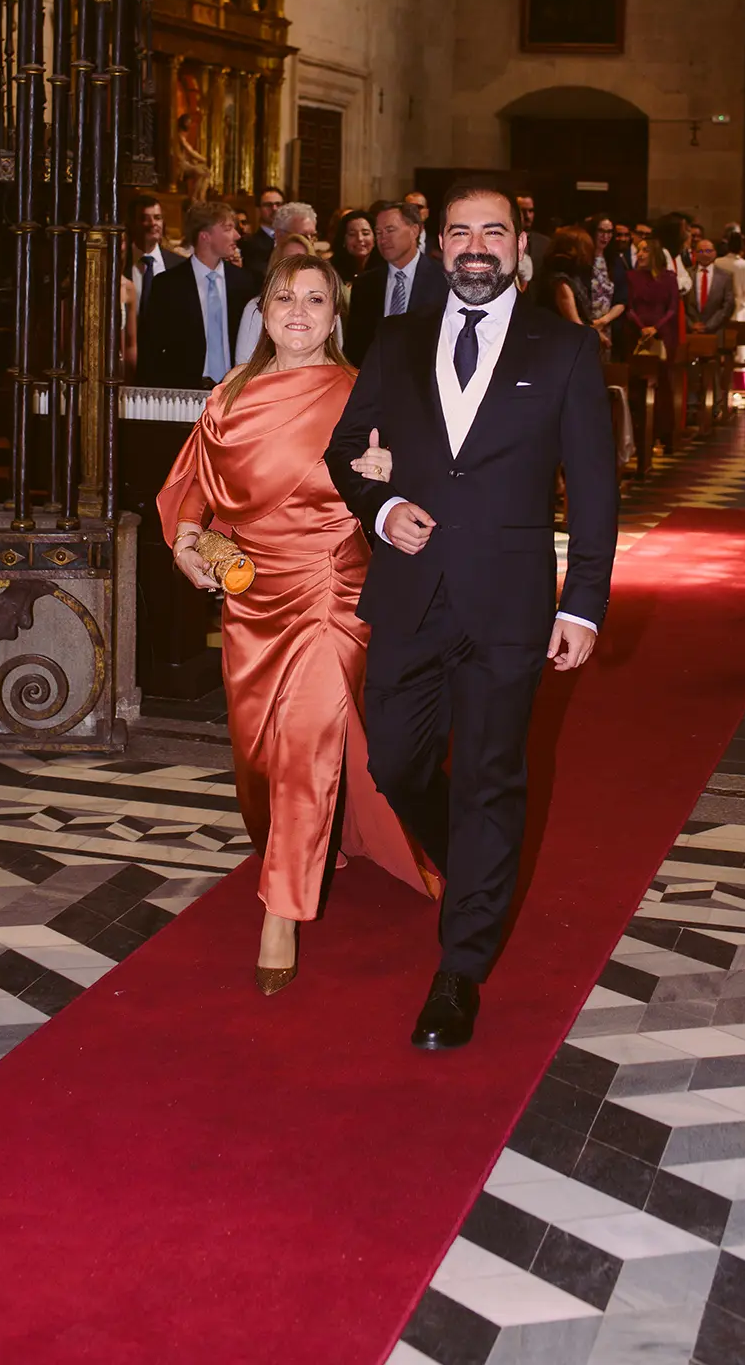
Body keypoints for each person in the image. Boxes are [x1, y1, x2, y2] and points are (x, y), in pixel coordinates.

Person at [325, 184, 618, 1051]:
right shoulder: (398, 337)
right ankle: (476, 860)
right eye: (460, 233)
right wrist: (382, 509)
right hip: (411, 593)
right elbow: (345, 449)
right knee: (394, 760)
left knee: (490, 777)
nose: (475, 246)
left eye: (493, 232)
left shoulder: (563, 347)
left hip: (507, 601)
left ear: (519, 245)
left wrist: (583, 603)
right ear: (438, 245)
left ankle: (459, 969)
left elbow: (594, 488)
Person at [159, 252, 438, 992]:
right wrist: (188, 544)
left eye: (316, 300)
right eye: (285, 298)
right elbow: (196, 486)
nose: (299, 312)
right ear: (263, 311)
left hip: (329, 589)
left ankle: (281, 912)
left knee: (307, 745)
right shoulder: (230, 393)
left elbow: (410, 483)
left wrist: (387, 478)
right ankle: (309, 839)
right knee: (261, 756)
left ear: (335, 315)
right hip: (252, 596)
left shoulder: (360, 392)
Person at [137, 199, 259, 388]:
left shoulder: (245, 282)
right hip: (182, 392)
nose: (236, 235)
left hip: (235, 390)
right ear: (205, 236)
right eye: (228, 228)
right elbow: (150, 349)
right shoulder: (167, 285)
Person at [344, 199, 448, 366]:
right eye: (378, 233)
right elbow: (355, 348)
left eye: (390, 230)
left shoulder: (444, 280)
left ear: (414, 230)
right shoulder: (365, 284)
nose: (383, 239)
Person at [233, 202, 319, 363]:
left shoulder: (325, 307)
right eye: (303, 235)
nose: (296, 268)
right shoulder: (256, 308)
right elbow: (244, 363)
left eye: (311, 236)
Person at [625, 235, 679, 446]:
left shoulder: (669, 278)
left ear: (655, 253)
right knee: (637, 385)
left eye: (645, 250)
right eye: (638, 250)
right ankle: (638, 435)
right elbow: (629, 306)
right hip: (637, 334)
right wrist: (642, 328)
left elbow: (672, 308)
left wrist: (656, 328)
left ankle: (662, 433)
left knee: (662, 384)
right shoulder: (631, 276)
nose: (640, 254)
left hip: (662, 334)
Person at [536, 227, 624, 350]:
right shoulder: (561, 281)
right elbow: (575, 322)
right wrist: (597, 336)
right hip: (560, 344)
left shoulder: (568, 276)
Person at [127, 193, 180, 340]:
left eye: (157, 218)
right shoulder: (119, 264)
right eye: (145, 218)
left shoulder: (178, 265)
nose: (153, 224)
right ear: (132, 224)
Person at [584, 214, 629, 341]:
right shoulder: (582, 259)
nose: (605, 236)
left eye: (609, 232)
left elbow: (622, 299)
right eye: (601, 231)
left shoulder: (615, 261)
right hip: (583, 325)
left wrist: (603, 321)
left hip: (607, 325)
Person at [683, 237, 734, 334]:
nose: (705, 254)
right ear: (695, 254)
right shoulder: (685, 274)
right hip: (690, 331)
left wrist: (709, 326)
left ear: (715, 253)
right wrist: (691, 324)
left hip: (715, 331)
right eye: (700, 251)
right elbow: (679, 304)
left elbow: (728, 306)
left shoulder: (726, 277)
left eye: (708, 251)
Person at [239, 186, 286, 283]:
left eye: (278, 204)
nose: (274, 209)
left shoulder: (292, 238)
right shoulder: (250, 244)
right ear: (259, 209)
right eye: (268, 205)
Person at [330, 209, 375, 295]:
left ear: (375, 238)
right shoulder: (331, 271)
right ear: (343, 239)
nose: (360, 238)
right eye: (352, 234)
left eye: (365, 233)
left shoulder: (386, 271)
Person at [514, 193, 549, 287]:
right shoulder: (503, 242)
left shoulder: (545, 243)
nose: (527, 216)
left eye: (531, 211)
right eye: (522, 211)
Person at [404, 189, 440, 258]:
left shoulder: (438, 244)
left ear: (427, 212)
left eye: (419, 207)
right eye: (410, 207)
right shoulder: (396, 242)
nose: (415, 211)